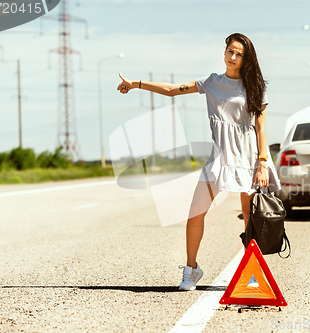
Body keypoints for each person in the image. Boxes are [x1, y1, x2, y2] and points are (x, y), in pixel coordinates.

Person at [117, 33, 281, 291]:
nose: (233, 57)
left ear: (246, 59)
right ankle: (191, 269)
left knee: (251, 216)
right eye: (230, 51)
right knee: (195, 212)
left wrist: (262, 162)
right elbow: (172, 90)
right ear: (224, 52)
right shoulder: (212, 82)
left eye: (238, 54)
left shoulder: (254, 87)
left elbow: (261, 128)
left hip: (249, 158)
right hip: (220, 157)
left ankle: (254, 272)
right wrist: (136, 83)